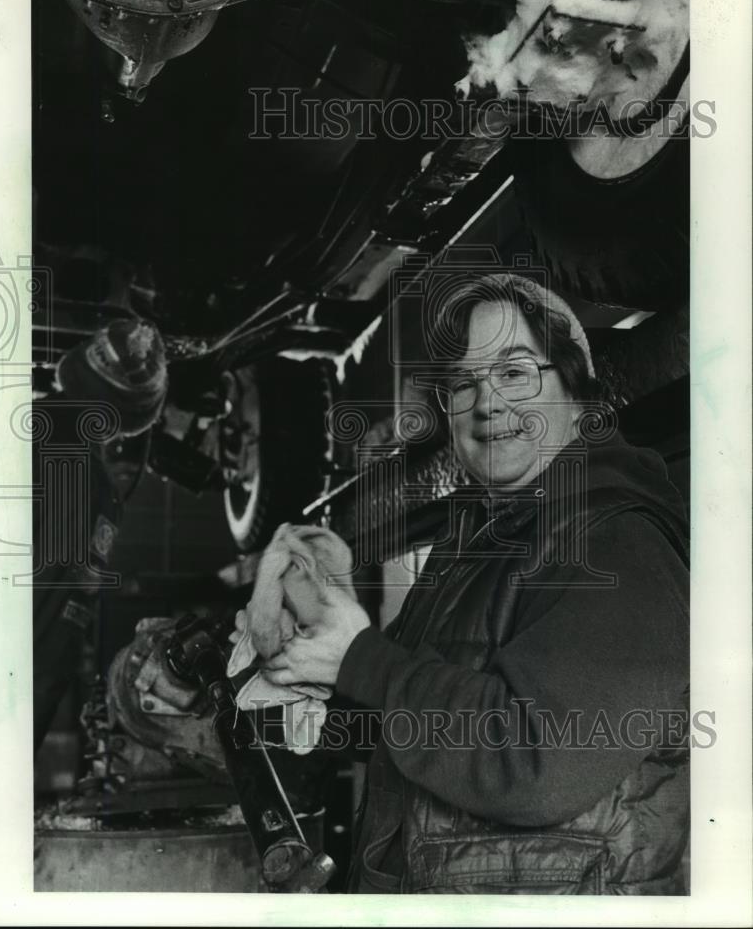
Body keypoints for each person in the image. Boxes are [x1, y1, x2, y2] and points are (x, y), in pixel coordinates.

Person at [255, 272, 691, 895]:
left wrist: (365, 661)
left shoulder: (616, 540)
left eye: (514, 372)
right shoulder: (477, 548)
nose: (487, 404)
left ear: (576, 388)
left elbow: (540, 760)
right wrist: (322, 622)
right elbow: (388, 714)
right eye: (464, 384)